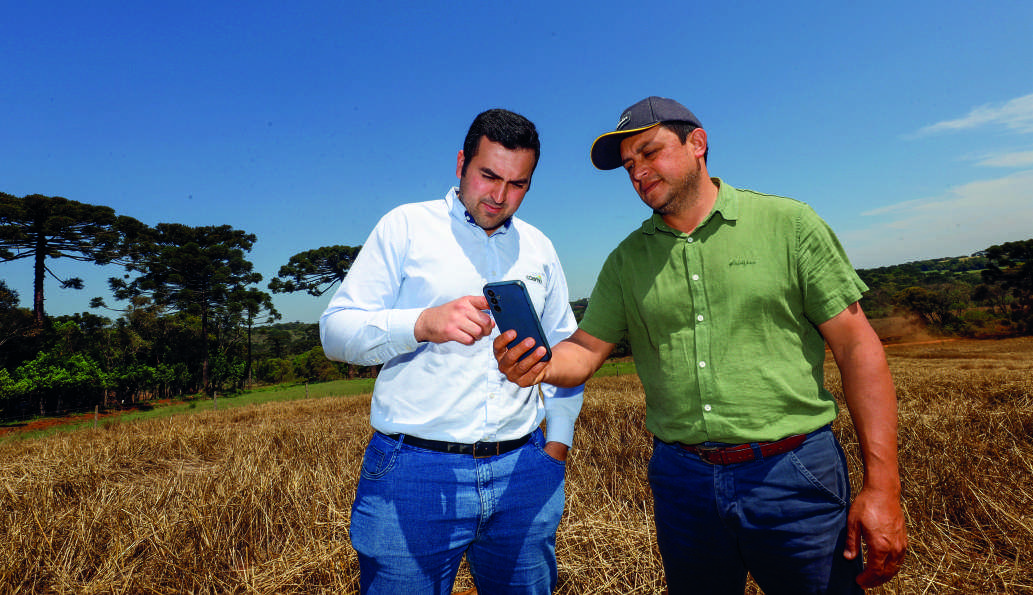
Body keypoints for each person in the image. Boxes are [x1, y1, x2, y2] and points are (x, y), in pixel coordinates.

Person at [494, 96, 907, 594]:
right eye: (629, 165)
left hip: (794, 471)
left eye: (649, 152)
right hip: (683, 481)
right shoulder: (626, 261)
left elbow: (858, 348)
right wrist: (538, 363)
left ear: (698, 143)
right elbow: (583, 350)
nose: (639, 173)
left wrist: (883, 486)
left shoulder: (789, 225)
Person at [320, 108, 583, 595]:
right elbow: (336, 331)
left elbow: (568, 348)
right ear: (461, 162)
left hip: (524, 470)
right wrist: (419, 323)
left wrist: (557, 444)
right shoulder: (405, 226)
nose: (500, 196)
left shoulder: (540, 247)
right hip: (413, 474)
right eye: (488, 175)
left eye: (518, 183)